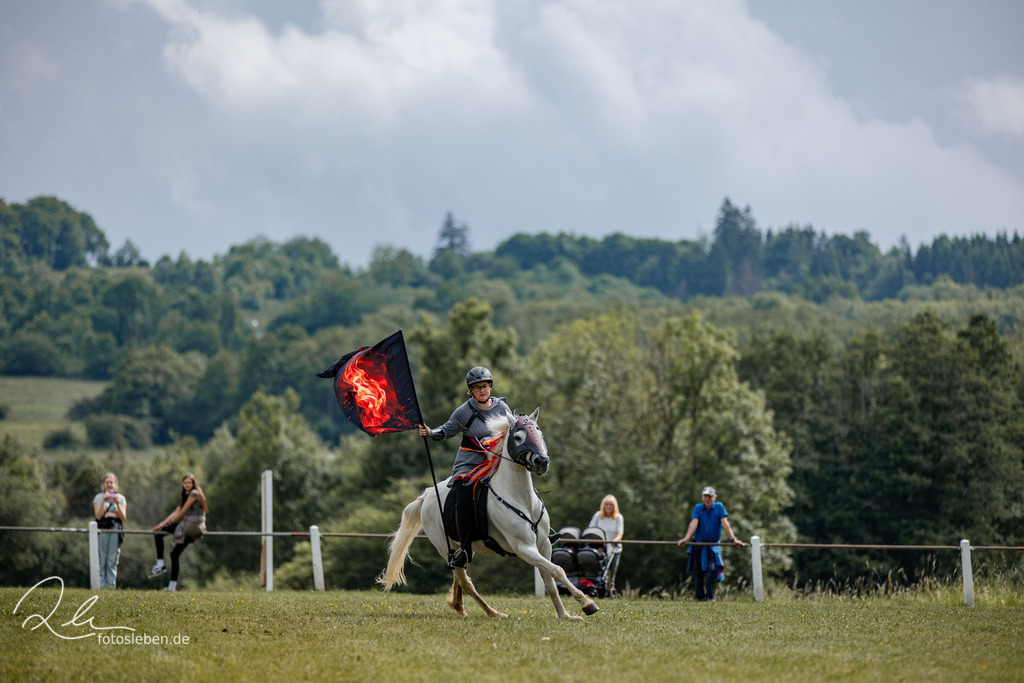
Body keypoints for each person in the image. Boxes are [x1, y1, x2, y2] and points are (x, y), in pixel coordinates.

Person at [418, 366, 514, 569]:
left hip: (497, 461)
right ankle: (465, 549)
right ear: (471, 391)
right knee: (463, 497)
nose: (482, 390)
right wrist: (430, 432)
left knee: (521, 480)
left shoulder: (502, 407)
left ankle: (538, 529)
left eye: (485, 386)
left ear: (491, 387)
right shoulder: (464, 412)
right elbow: (446, 431)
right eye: (477, 387)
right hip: (470, 464)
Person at [676, 486, 745, 601]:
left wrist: (733, 539)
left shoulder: (719, 507)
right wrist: (686, 538)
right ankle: (700, 597)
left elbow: (725, 523)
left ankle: (710, 596)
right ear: (702, 497)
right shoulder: (698, 508)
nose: (707, 499)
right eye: (705, 496)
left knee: (712, 570)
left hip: (713, 546)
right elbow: (694, 523)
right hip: (699, 544)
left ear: (714, 497)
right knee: (698, 572)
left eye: (709, 496)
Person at [149, 473, 207, 591]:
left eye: (189, 482)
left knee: (159, 534)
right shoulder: (187, 495)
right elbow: (177, 511)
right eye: (185, 483)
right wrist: (161, 524)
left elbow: (181, 513)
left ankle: (160, 564)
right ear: (182, 484)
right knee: (174, 554)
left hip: (191, 526)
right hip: (194, 528)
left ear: (193, 484)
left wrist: (162, 526)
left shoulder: (194, 493)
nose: (187, 485)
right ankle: (172, 586)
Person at [92, 472, 127, 589]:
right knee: (102, 558)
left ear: (115, 484)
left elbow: (122, 516)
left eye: (111, 482)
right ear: (103, 484)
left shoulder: (121, 498)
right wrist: (103, 501)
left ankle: (111, 586)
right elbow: (98, 515)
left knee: (112, 558)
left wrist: (117, 503)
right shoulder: (98, 497)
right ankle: (101, 585)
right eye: (107, 482)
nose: (109, 484)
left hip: (115, 528)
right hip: (103, 527)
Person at [587, 494, 624, 598]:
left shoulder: (618, 517)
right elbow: (591, 530)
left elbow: (620, 533)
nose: (608, 507)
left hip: (614, 548)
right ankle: (598, 587)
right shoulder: (598, 516)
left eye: (611, 505)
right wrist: (599, 544)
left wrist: (613, 541)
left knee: (612, 570)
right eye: (606, 504)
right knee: (600, 569)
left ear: (614, 506)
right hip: (601, 548)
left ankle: (611, 589)